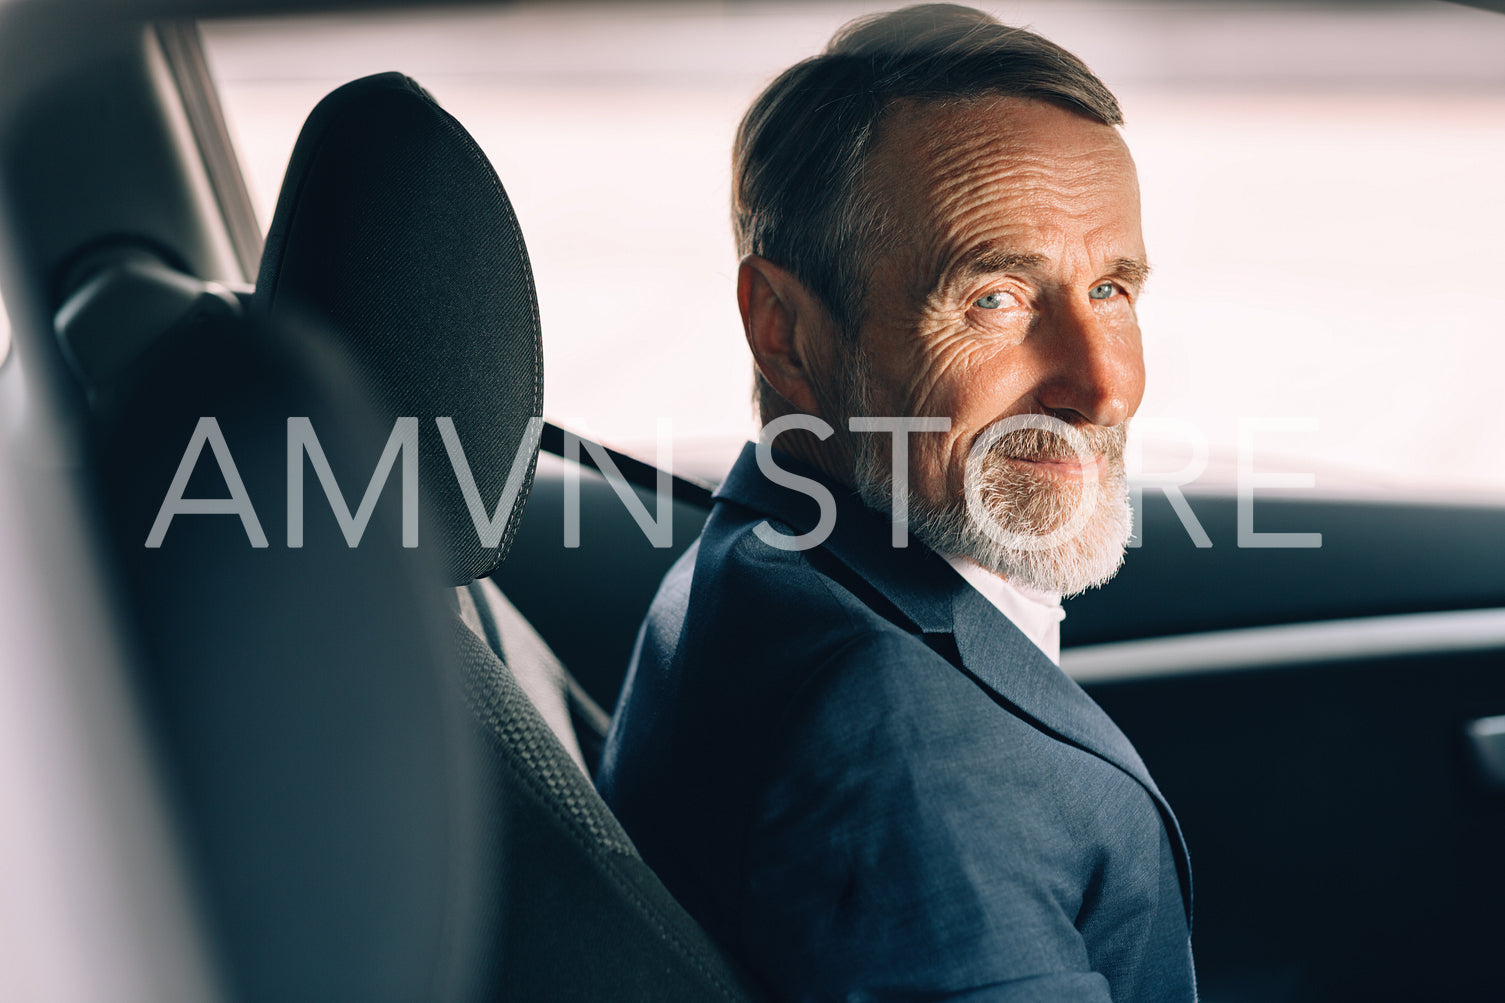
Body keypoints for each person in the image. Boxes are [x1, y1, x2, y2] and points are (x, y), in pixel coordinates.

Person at [597, 5, 1195, 1001]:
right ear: (781, 330)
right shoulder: (908, 756)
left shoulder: (761, 555)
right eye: (993, 298)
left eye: (1112, 291)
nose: (1104, 387)